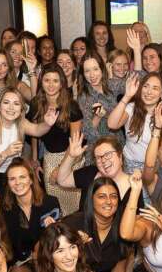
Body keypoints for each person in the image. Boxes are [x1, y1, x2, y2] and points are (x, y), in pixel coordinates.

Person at [28, 64, 84, 214]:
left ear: (62, 84)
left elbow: (75, 141)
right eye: (47, 80)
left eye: (55, 80)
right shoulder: (36, 103)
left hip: (72, 159)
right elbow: (34, 133)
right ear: (41, 82)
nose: (51, 85)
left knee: (73, 208)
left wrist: (61, 168)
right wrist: (34, 159)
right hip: (49, 158)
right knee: (55, 208)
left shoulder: (71, 106)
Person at [106, 71, 162, 173]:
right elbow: (112, 124)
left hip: (155, 169)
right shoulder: (131, 108)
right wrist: (127, 96)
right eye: (146, 86)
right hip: (128, 165)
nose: (149, 92)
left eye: (155, 88)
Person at [3, 158, 61, 272]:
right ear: (8, 183)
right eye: (12, 179)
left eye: (22, 177)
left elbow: (58, 237)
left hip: (48, 258)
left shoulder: (50, 203)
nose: (17, 182)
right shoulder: (5, 210)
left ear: (30, 179)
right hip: (22, 261)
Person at [52, 134, 132, 211]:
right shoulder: (90, 173)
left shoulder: (133, 186)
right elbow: (62, 180)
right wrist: (71, 156)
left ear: (120, 156)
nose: (103, 160)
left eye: (108, 154)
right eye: (98, 158)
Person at [75, 53, 124, 151]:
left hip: (119, 144)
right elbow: (86, 134)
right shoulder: (84, 97)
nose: (92, 75)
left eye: (95, 69)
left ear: (102, 69)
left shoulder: (111, 84)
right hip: (98, 150)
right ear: (83, 74)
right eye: (87, 71)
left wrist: (136, 51)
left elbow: (136, 83)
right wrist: (97, 117)